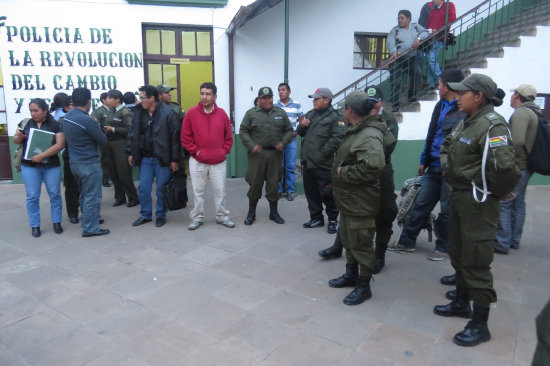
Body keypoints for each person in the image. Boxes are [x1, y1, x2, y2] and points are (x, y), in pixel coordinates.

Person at [435, 74, 521, 347]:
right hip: (460, 197)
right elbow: (447, 146)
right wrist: (450, 166)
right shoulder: (467, 121)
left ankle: (480, 324)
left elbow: (505, 169)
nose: (458, 97)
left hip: (478, 203)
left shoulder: (493, 126)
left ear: (479, 96)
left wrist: (496, 190)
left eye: (463, 93)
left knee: (477, 263)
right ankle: (462, 302)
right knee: (458, 253)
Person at [318, 85, 398, 275]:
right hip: (354, 175)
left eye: (376, 101)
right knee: (349, 212)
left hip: (379, 174)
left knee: (384, 213)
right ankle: (341, 247)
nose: (373, 106)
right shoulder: (352, 121)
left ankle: (378, 256)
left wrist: (349, 166)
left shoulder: (383, 122)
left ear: (381, 103)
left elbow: (382, 152)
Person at [388, 69, 465, 261]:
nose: (437, 87)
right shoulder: (441, 105)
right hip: (434, 166)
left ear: (447, 87)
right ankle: (407, 242)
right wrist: (424, 160)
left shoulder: (463, 108)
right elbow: (432, 134)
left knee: (447, 210)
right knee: (420, 202)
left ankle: (443, 246)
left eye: (439, 84)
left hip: (451, 169)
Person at [328, 91, 386, 306]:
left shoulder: (368, 134)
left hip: (360, 200)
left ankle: (364, 285)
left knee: (361, 243)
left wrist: (344, 173)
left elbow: (373, 166)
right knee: (349, 239)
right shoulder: (357, 131)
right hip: (349, 200)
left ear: (349, 110)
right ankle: (351, 275)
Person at [494, 84, 540, 254]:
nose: (511, 96)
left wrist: (507, 163)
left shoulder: (521, 113)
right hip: (528, 166)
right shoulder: (536, 112)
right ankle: (514, 239)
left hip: (518, 165)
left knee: (504, 202)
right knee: (518, 203)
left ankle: (502, 242)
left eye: (514, 93)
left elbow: (517, 141)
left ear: (518, 96)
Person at [182, 82, 234, 230]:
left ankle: (222, 217)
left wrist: (223, 151)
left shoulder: (222, 114)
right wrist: (197, 152)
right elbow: (185, 138)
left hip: (218, 161)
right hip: (198, 161)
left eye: (208, 94)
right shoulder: (191, 114)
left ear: (215, 96)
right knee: (198, 191)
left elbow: (228, 137)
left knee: (220, 191)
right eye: (202, 93)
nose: (204, 97)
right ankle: (197, 218)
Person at [128, 85, 181, 228]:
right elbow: (133, 134)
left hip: (163, 158)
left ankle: (160, 214)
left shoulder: (168, 113)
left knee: (161, 188)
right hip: (145, 157)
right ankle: (145, 214)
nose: (140, 100)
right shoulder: (139, 112)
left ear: (152, 98)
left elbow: (175, 138)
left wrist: (175, 159)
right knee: (143, 187)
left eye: (142, 97)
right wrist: (131, 152)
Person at [239, 86, 293, 225]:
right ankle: (251, 213)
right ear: (259, 100)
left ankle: (273, 213)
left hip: (275, 154)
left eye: (270, 97)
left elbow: (289, 130)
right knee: (255, 183)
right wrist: (252, 146)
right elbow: (243, 131)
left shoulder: (280, 113)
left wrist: (283, 142)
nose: (268, 100)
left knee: (274, 184)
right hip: (257, 155)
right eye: (264, 98)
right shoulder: (251, 113)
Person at [13, 98, 65, 238]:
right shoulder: (25, 123)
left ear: (45, 110)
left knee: (55, 194)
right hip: (30, 166)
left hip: (51, 165)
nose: (33, 113)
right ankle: (35, 225)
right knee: (32, 196)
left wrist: (42, 155)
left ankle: (57, 222)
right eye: (31, 111)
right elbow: (16, 140)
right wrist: (19, 137)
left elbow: (60, 144)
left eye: (36, 110)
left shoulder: (55, 124)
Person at [297, 88, 345, 234]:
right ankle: (316, 218)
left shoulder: (336, 117)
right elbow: (300, 133)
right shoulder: (311, 114)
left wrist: (320, 155)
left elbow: (337, 139)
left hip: (323, 163)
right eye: (314, 98)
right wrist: (302, 125)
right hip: (308, 162)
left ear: (327, 100)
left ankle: (332, 220)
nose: (314, 101)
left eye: (317, 98)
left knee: (327, 193)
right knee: (311, 193)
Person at [63, 88, 110, 237]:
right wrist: (97, 126)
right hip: (88, 163)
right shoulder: (87, 120)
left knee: (84, 194)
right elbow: (103, 140)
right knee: (92, 196)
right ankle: (90, 228)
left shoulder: (68, 116)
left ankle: (88, 219)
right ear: (89, 102)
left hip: (74, 162)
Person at [103, 89, 139, 208]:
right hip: (109, 144)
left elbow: (130, 130)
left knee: (123, 173)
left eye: (109, 98)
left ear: (117, 99)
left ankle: (133, 197)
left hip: (121, 144)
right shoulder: (110, 112)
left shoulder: (125, 112)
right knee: (113, 173)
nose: (107, 100)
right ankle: (120, 197)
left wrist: (113, 129)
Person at [387, 10, 429, 112]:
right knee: (396, 81)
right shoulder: (394, 31)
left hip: (412, 57)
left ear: (409, 19)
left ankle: (411, 96)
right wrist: (393, 52)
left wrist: (418, 39)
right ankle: (395, 105)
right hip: (397, 58)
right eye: (398, 18)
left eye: (402, 18)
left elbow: (426, 32)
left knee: (417, 74)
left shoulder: (415, 27)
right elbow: (390, 43)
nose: (400, 20)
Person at [275, 82, 304, 201]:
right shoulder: (275, 106)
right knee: (279, 167)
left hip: (291, 140)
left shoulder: (296, 104)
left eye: (283, 90)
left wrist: (297, 131)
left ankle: (290, 191)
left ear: (289, 92)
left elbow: (301, 121)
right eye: (279, 90)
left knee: (290, 166)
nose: (281, 92)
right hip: (279, 141)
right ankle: (279, 190)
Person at [418, 0, 457, 88]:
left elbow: (452, 18)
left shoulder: (449, 5)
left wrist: (437, 29)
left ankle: (442, 80)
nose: (433, 1)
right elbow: (428, 24)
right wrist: (427, 32)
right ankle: (431, 83)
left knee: (430, 58)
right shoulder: (434, 10)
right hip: (432, 38)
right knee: (430, 59)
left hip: (440, 38)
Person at [58, 97, 80, 224]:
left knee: (86, 187)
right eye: (73, 104)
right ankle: (72, 213)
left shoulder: (85, 118)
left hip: (85, 156)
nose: (76, 106)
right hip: (70, 155)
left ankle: (90, 213)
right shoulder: (62, 121)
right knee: (71, 186)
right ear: (66, 108)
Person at [91, 92, 111, 188]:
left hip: (116, 138)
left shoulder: (114, 109)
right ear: (103, 100)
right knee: (106, 160)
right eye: (108, 98)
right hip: (105, 139)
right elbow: (92, 124)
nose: (110, 100)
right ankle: (105, 179)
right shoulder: (98, 111)